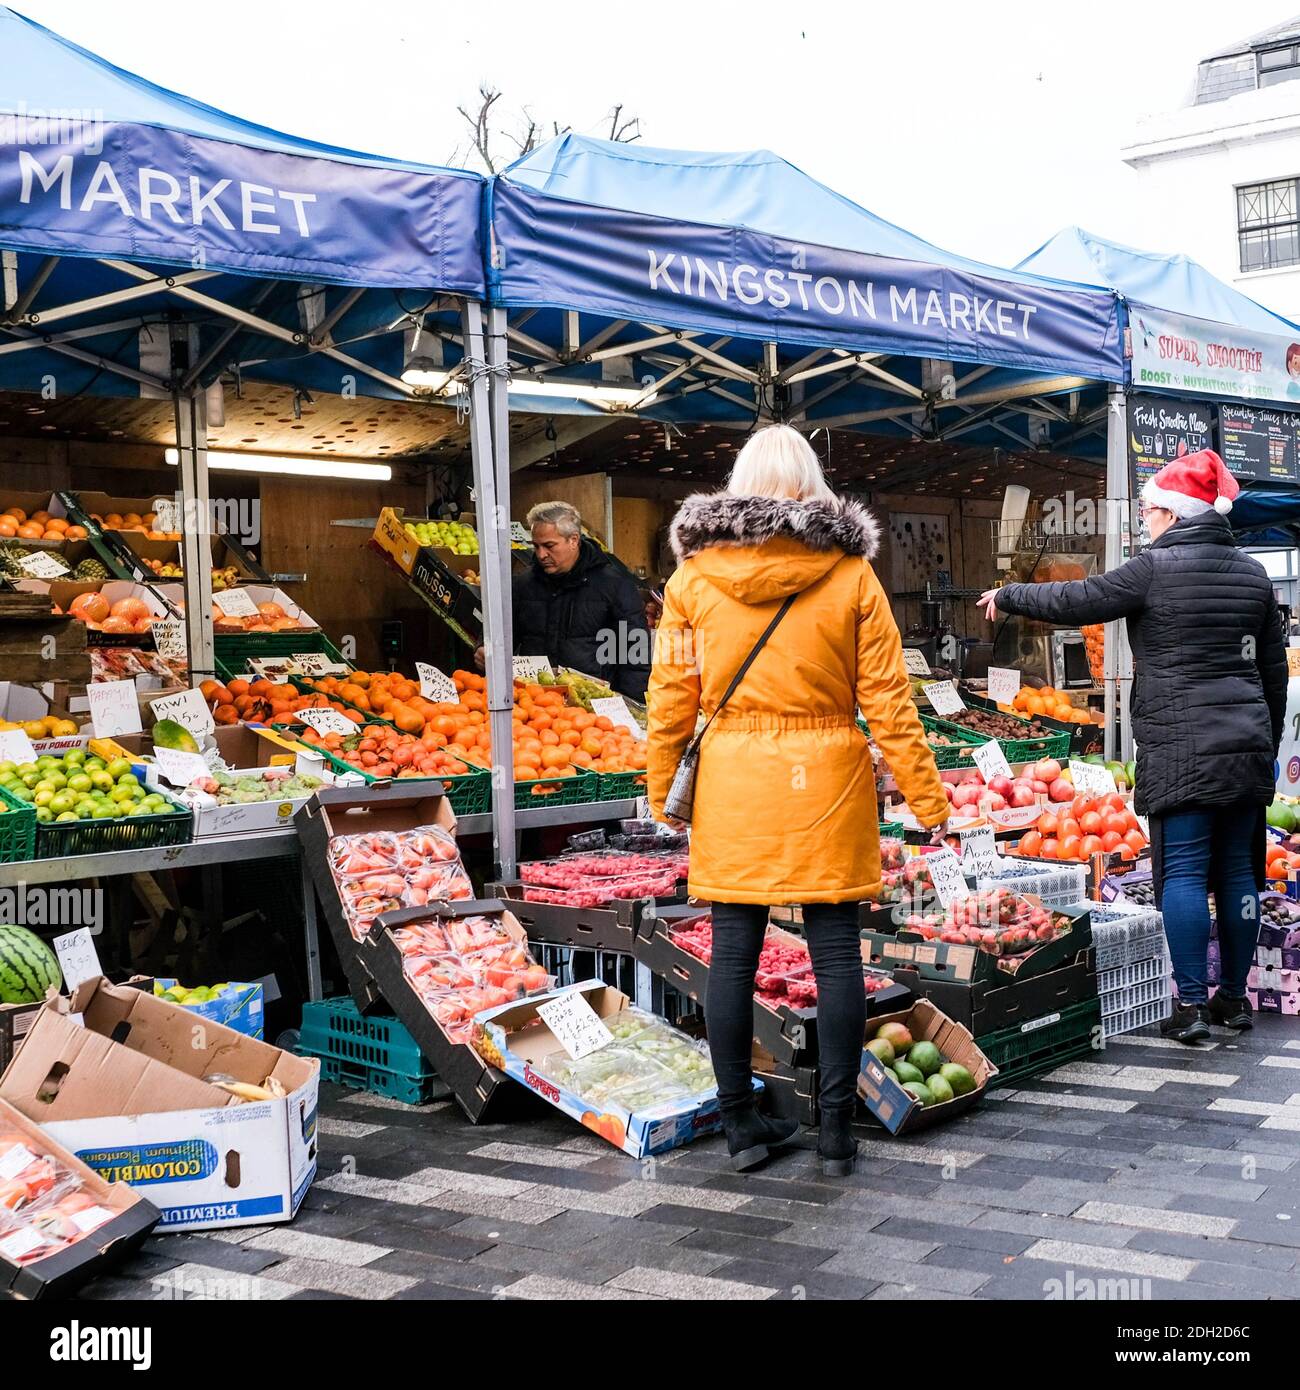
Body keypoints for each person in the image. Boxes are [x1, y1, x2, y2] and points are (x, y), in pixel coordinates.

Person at [646, 424, 949, 1175]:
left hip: (734, 786)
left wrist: (660, 790)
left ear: (737, 488)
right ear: (814, 486)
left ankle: (745, 1129)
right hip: (827, 781)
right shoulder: (851, 578)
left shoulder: (690, 584)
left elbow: (668, 699)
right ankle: (838, 1133)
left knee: (733, 954)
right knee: (837, 953)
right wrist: (930, 802)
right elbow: (890, 701)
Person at [977, 449, 1287, 1045]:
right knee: (1240, 875)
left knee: (1186, 876)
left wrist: (1011, 595)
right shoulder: (1254, 575)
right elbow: (1272, 674)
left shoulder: (1154, 569)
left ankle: (1192, 1005)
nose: (1143, 519)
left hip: (1180, 747)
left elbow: (1079, 599)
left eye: (1147, 509)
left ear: (1173, 514)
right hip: (1245, 748)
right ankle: (1235, 999)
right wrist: (1261, 743)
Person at [480, 501, 651, 700]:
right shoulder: (523, 584)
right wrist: (484, 646)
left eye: (549, 546)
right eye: (536, 546)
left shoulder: (614, 585)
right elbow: (499, 632)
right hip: (534, 702)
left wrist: (630, 705)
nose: (541, 554)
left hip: (593, 705)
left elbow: (634, 653)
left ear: (573, 540)